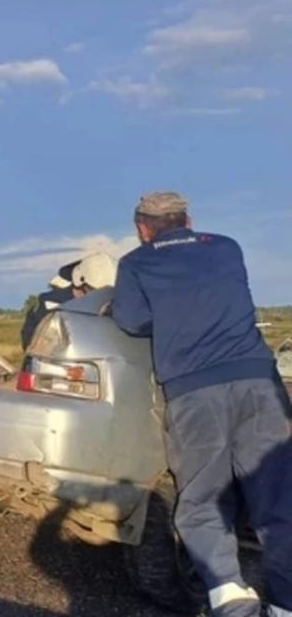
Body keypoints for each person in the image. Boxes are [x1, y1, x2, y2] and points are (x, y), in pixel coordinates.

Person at [110, 191, 291, 617]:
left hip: (194, 390)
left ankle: (232, 600)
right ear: (187, 220)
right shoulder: (227, 247)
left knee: (203, 498)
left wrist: (171, 320)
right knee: (278, 498)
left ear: (142, 229)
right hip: (258, 382)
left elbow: (132, 321)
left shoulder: (136, 263)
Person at [20, 253, 117, 349]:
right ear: (79, 280)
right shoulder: (51, 306)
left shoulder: (114, 307)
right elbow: (33, 345)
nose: (103, 297)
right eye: (97, 292)